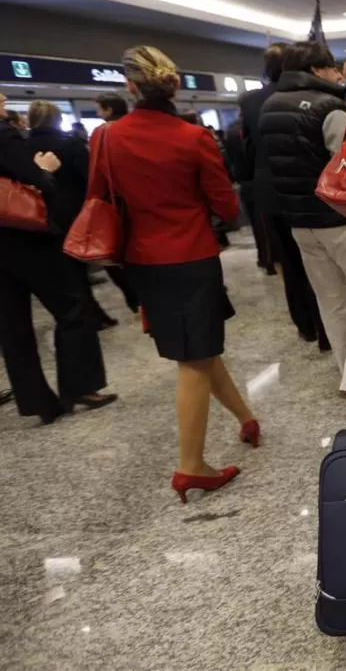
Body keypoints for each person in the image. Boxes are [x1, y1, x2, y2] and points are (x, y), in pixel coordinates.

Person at [87, 46, 260, 503]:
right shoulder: (192, 138)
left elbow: (98, 196)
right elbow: (226, 207)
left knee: (199, 350)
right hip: (190, 256)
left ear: (129, 86)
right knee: (194, 358)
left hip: (142, 261)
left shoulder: (105, 138)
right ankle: (191, 466)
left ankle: (246, 417)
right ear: (174, 85)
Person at [260, 41, 346, 407]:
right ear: (318, 70)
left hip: (299, 221)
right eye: (332, 69)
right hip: (339, 218)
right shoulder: (330, 107)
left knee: (331, 301)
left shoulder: (269, 107)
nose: (337, 75)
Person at [0, 92, 117, 425]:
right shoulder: (4, 134)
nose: (4, 95)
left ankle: (36, 400)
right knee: (73, 307)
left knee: (13, 325)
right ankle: (81, 385)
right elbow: (36, 180)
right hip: (25, 237)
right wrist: (45, 169)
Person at [240, 43, 330, 350]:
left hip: (270, 194)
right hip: (310, 193)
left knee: (290, 265)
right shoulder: (316, 97)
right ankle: (327, 329)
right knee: (322, 266)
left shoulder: (251, 101)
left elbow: (248, 150)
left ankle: (305, 326)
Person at [24, 101, 119, 330]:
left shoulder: (24, 146)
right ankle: (114, 307)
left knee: (68, 268)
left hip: (42, 213)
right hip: (76, 210)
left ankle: (87, 313)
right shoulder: (71, 143)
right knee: (99, 255)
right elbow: (90, 177)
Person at [90, 93, 140, 315]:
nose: (98, 114)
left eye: (99, 109)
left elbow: (96, 172)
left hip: (117, 202)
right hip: (145, 198)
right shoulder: (138, 126)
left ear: (108, 110)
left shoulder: (102, 133)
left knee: (119, 255)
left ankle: (136, 298)